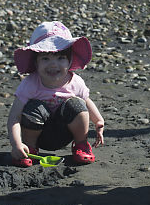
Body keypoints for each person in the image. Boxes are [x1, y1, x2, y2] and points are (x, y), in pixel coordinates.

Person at [8, 21, 104, 167]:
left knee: (77, 104)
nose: (53, 64)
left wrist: (98, 121)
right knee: (33, 107)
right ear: (36, 62)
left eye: (61, 58)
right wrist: (16, 144)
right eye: (45, 58)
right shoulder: (30, 84)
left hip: (65, 132)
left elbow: (87, 101)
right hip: (39, 136)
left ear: (70, 61)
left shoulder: (75, 82)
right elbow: (14, 117)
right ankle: (29, 149)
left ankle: (81, 145)